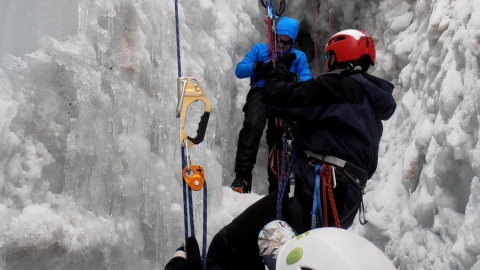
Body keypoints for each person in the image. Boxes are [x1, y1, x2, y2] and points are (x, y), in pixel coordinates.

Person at [205, 29, 397, 269]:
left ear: (336, 56)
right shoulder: (368, 106)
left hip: (315, 194)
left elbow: (276, 98)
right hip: (343, 200)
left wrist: (280, 69)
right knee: (280, 257)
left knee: (228, 247)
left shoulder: (338, 88)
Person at [232, 16, 312, 194]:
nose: (281, 46)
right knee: (252, 126)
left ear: (291, 42)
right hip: (261, 92)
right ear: (273, 35)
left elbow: (308, 80)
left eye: (286, 43)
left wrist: (293, 78)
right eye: (279, 40)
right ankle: (242, 176)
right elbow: (239, 70)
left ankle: (277, 184)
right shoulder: (260, 50)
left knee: (280, 136)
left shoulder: (297, 57)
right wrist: (257, 67)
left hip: (282, 95)